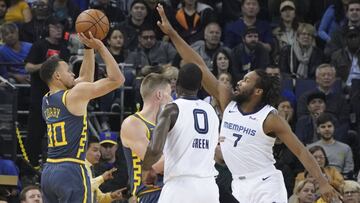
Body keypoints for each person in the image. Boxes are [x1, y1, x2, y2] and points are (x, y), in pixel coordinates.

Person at [153, 3, 340, 202]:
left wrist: (322, 182)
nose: (240, 81)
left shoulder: (270, 118)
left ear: (257, 91)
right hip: (238, 185)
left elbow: (301, 150)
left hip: (265, 184)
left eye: (246, 80)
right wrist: (172, 34)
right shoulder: (228, 102)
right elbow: (198, 64)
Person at [39, 32, 125, 203]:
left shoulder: (46, 100)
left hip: (49, 171)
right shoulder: (74, 95)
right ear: (57, 76)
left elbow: (85, 79)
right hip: (71, 169)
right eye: (69, 71)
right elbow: (117, 79)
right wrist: (100, 47)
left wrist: (88, 48)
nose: (73, 74)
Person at [142, 63, 220, 203]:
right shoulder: (211, 111)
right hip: (209, 188)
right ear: (200, 86)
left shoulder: (171, 109)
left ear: (176, 84)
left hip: (180, 187)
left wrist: (147, 169)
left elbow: (154, 148)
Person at [120, 73, 172, 202]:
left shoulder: (166, 124)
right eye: (169, 93)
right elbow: (156, 164)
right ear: (159, 95)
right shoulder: (133, 123)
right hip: (150, 193)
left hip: (170, 189)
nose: (172, 99)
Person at [85, 135, 125, 203]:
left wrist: (111, 196)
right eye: (95, 150)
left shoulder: (90, 168)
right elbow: (84, 187)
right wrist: (102, 178)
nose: (99, 154)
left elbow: (99, 198)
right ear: (84, 150)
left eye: (99, 151)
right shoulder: (79, 167)